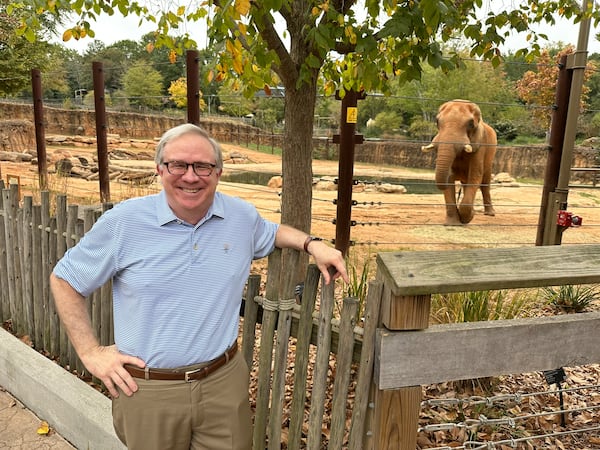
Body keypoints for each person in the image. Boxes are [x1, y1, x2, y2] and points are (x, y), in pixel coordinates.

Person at [49, 123, 349, 450]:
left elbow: (271, 231)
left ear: (218, 172)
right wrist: (90, 353)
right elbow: (65, 279)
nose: (190, 176)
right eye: (178, 164)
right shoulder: (124, 223)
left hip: (223, 381)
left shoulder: (239, 216)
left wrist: (312, 243)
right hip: (150, 390)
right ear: (160, 170)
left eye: (202, 166)